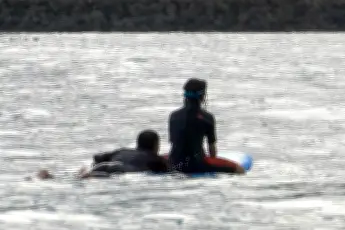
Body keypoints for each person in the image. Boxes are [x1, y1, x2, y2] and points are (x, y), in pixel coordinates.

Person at [168, 78, 245, 175]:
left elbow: (173, 142)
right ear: (203, 96)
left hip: (174, 163)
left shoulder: (173, 116)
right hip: (196, 164)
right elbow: (211, 147)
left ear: (185, 96)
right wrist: (213, 164)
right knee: (240, 170)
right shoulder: (207, 117)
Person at [33, 130, 170, 180]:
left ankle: (50, 176)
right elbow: (170, 170)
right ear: (155, 145)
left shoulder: (123, 151)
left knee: (81, 177)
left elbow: (97, 157)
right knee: (89, 178)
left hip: (105, 165)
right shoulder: (155, 159)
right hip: (120, 171)